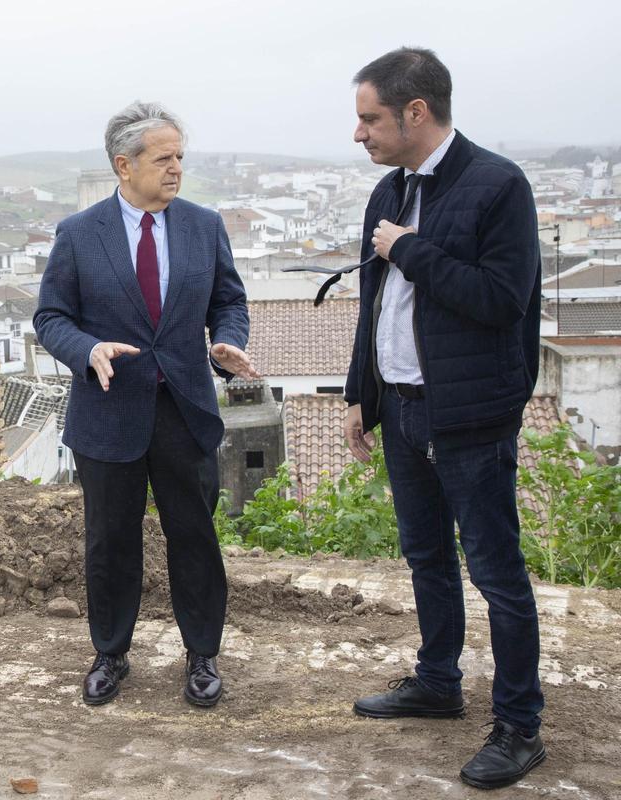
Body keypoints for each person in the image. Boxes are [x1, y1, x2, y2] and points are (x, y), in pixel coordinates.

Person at [342, 47, 546, 790]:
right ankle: (437, 683)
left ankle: (520, 726)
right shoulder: (389, 191)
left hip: (471, 417)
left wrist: (413, 250)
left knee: (496, 573)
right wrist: (360, 394)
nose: (359, 134)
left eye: (370, 119)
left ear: (415, 113)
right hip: (400, 407)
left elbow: (500, 300)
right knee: (425, 556)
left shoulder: (498, 186)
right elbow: (377, 305)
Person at [34, 101, 256, 709]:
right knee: (109, 540)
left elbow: (228, 302)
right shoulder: (79, 235)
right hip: (107, 410)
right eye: (164, 158)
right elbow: (50, 316)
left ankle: (203, 656)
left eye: (180, 156)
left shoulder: (204, 225)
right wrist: (86, 350)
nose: (176, 168)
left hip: (184, 409)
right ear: (123, 165)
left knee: (194, 536)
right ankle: (110, 653)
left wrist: (227, 341)